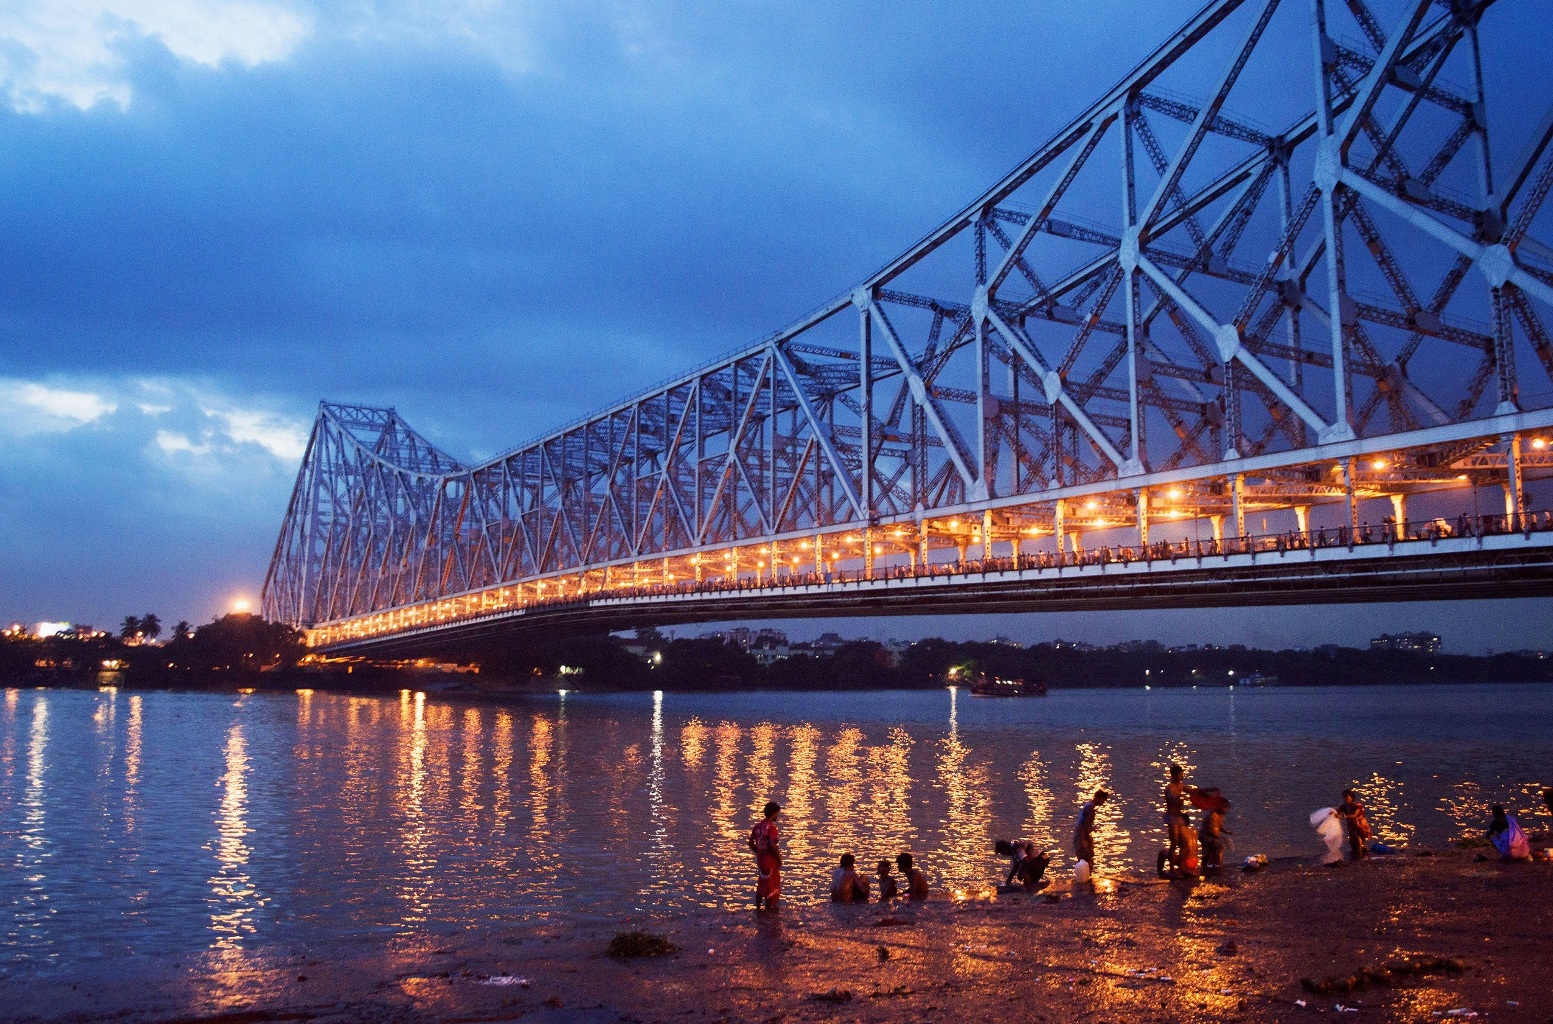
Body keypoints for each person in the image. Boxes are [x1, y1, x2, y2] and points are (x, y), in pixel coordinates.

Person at [1164, 765, 1201, 877]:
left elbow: (1191, 791)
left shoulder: (1180, 785)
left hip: (1179, 817)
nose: (1182, 776)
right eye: (1180, 773)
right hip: (1172, 817)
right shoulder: (1170, 787)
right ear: (1174, 775)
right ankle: (1171, 870)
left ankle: (1182, 867)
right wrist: (1184, 798)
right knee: (1174, 842)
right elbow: (1174, 799)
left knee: (1184, 842)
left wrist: (1202, 792)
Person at [747, 801, 782, 910]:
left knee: (761, 885)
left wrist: (758, 851)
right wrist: (779, 858)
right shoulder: (772, 827)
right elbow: (772, 845)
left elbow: (750, 842)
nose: (777, 816)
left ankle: (758, 909)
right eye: (777, 813)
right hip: (770, 861)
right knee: (771, 887)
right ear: (774, 813)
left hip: (761, 861)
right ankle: (769, 910)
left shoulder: (757, 826)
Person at [1074, 789, 1110, 872]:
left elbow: (1085, 824)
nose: (1103, 803)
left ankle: (1084, 875)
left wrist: (1092, 829)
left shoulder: (1088, 805)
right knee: (1086, 857)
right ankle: (1086, 876)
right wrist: (1087, 840)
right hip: (1081, 836)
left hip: (1080, 834)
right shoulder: (1091, 808)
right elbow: (1086, 826)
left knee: (1084, 857)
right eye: (1103, 800)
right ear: (1098, 798)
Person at [1334, 789, 1371, 861]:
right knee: (1352, 842)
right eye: (1344, 797)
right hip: (1351, 826)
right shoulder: (1344, 806)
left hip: (1359, 825)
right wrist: (1333, 813)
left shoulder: (1357, 805)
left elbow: (1354, 815)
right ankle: (1359, 854)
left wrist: (1343, 816)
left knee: (1357, 840)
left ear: (1351, 797)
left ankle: (1359, 857)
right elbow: (1338, 811)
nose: (1345, 799)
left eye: (1346, 797)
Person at [1198, 798, 1232, 871]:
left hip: (1212, 836)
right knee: (1218, 846)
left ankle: (1212, 865)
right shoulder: (1212, 814)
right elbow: (1211, 830)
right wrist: (1220, 838)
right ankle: (1216, 865)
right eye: (1224, 807)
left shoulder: (1220, 815)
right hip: (1205, 836)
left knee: (1210, 850)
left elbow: (1219, 827)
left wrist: (1227, 832)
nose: (1226, 810)